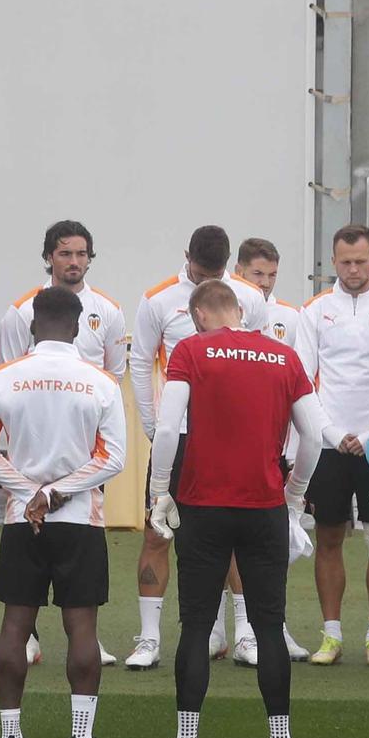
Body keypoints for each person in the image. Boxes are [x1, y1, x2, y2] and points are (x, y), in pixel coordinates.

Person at [148, 280, 337, 738]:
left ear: (197, 316)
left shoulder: (190, 350)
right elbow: (313, 436)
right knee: (269, 625)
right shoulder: (282, 356)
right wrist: (293, 495)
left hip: (203, 506)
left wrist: (158, 492)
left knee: (195, 624)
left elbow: (168, 427)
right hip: (264, 507)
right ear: (239, 312)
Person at [0, 286, 127, 738]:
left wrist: (29, 493)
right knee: (82, 626)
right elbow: (113, 457)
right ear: (78, 329)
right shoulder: (100, 381)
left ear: (33, 326)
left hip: (23, 520)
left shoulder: (3, 376)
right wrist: (56, 493)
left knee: (16, 624)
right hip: (80, 519)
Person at [123, 225, 269, 669]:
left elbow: (259, 357)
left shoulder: (250, 298)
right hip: (178, 433)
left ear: (229, 266)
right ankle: (148, 638)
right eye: (200, 271)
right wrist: (152, 424)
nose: (207, 279)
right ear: (186, 256)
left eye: (216, 272)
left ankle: (244, 633)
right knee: (157, 531)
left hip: (231, 437)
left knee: (235, 531)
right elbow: (141, 361)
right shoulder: (159, 298)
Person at [300, 224, 369, 667]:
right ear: (333, 260)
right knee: (328, 536)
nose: (353, 269)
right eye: (345, 262)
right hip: (328, 443)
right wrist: (328, 433)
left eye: (361, 261)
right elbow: (303, 381)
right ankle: (331, 635)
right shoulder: (315, 310)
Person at [230, 236, 316, 667]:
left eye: (271, 276)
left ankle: (271, 626)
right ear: (238, 272)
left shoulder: (291, 317)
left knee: (273, 540)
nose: (263, 284)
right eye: (256, 275)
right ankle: (233, 629)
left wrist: (295, 449)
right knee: (223, 537)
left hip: (274, 445)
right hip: (229, 444)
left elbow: (299, 385)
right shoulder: (219, 312)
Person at [0, 219, 130, 376]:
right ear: (49, 257)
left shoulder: (110, 310)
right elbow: (5, 374)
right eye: (65, 254)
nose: (74, 262)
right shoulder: (22, 311)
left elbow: (114, 376)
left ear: (89, 258)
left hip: (89, 400)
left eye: (81, 254)